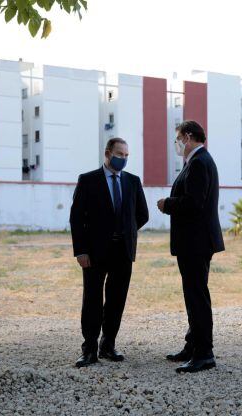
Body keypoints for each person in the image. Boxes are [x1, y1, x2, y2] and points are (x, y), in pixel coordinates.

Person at [70, 137, 149, 368]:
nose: (123, 159)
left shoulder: (133, 182)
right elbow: (77, 218)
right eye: (119, 154)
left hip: (123, 252)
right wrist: (81, 250)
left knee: (116, 300)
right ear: (107, 153)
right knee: (93, 299)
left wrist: (126, 232)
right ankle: (89, 349)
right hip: (94, 253)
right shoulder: (88, 180)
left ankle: (108, 345)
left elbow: (142, 214)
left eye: (126, 155)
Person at [157, 120, 225, 373]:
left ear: (187, 137)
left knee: (197, 297)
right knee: (193, 295)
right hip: (195, 241)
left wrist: (168, 204)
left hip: (196, 242)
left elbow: (194, 203)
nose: (177, 144)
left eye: (178, 138)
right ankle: (192, 345)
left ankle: (204, 354)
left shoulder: (198, 163)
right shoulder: (198, 162)